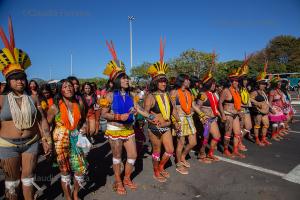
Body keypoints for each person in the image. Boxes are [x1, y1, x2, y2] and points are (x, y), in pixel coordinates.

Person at [0, 17, 52, 200]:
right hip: (7, 146)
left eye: (22, 77)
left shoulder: (33, 97)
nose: (20, 81)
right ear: (8, 80)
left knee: (28, 180)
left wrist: (47, 139)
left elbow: (42, 119)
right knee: (12, 183)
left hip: (31, 142)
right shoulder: (1, 99)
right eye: (15, 78)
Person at [100, 40, 137, 195]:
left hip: (128, 129)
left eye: (127, 78)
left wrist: (149, 116)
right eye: (123, 78)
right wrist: (117, 116)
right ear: (116, 80)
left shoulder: (131, 94)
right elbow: (103, 114)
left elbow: (138, 109)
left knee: (133, 156)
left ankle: (127, 178)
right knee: (117, 157)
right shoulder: (108, 95)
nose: (127, 80)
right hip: (114, 129)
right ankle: (118, 181)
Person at [143, 38, 179, 182]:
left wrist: (177, 121)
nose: (163, 83)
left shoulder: (169, 95)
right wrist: (153, 119)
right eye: (160, 81)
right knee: (157, 151)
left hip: (167, 127)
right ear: (155, 82)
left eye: (165, 81)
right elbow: (145, 114)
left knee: (169, 150)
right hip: (155, 129)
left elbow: (173, 110)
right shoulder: (150, 96)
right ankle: (155, 170)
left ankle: (162, 166)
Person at [47, 79, 88, 200]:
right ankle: (68, 197)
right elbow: (47, 125)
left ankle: (75, 194)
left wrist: (84, 127)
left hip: (76, 141)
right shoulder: (55, 107)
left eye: (70, 86)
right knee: (65, 172)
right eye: (65, 87)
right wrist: (46, 142)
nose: (68, 88)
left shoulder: (79, 104)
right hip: (61, 142)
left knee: (79, 170)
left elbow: (83, 120)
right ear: (60, 90)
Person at [170, 74, 197, 174]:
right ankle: (178, 163)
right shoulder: (174, 92)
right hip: (179, 119)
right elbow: (172, 109)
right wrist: (176, 121)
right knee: (180, 143)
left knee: (193, 142)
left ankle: (183, 156)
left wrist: (202, 114)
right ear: (182, 81)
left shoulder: (189, 92)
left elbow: (193, 105)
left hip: (189, 119)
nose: (189, 82)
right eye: (187, 80)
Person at [196, 66, 221, 163]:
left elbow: (215, 107)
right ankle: (201, 155)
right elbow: (197, 107)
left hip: (213, 119)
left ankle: (210, 153)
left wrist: (220, 115)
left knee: (217, 136)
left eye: (214, 83)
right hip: (205, 120)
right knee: (205, 138)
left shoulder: (213, 94)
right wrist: (202, 117)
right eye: (213, 83)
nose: (214, 85)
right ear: (208, 84)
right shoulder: (203, 94)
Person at [219, 68, 246, 158]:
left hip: (235, 114)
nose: (236, 83)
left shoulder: (236, 90)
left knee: (237, 133)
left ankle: (235, 150)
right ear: (230, 82)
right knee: (228, 133)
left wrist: (240, 111)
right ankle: (226, 150)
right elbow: (219, 103)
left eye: (237, 81)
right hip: (228, 114)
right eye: (234, 81)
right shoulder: (226, 90)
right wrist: (222, 115)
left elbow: (238, 103)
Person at [250, 65, 272, 146]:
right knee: (257, 125)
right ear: (258, 84)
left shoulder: (263, 92)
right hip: (257, 111)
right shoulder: (255, 92)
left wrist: (270, 108)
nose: (264, 85)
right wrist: (257, 103)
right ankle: (257, 139)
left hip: (264, 111)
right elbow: (250, 99)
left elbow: (266, 101)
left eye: (264, 84)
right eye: (262, 84)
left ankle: (263, 138)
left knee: (266, 125)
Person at [238, 57, 252, 150]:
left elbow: (248, 99)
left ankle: (238, 141)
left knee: (248, 127)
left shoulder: (245, 88)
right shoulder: (238, 89)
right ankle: (239, 143)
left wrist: (249, 104)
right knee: (241, 127)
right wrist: (245, 106)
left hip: (246, 109)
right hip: (241, 110)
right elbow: (237, 102)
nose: (246, 81)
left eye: (246, 80)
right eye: (244, 80)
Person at [268, 75, 287, 141]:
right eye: (278, 83)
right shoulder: (272, 91)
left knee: (280, 123)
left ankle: (276, 134)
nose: (280, 84)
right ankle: (273, 135)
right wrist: (271, 109)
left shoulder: (279, 90)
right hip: (274, 108)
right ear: (275, 84)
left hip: (280, 108)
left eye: (280, 82)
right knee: (275, 124)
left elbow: (281, 99)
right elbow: (269, 102)